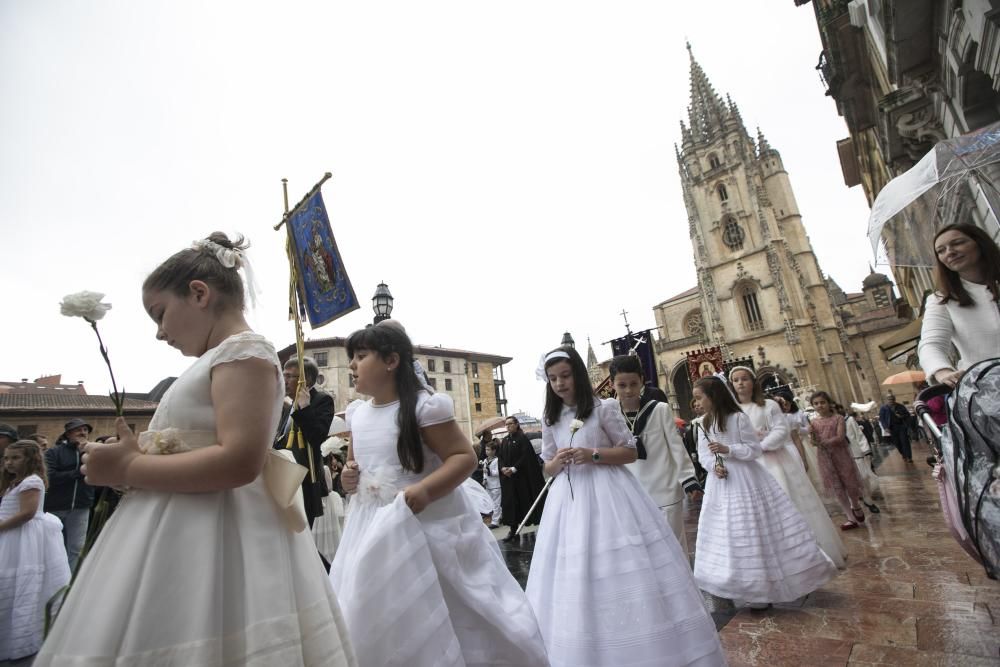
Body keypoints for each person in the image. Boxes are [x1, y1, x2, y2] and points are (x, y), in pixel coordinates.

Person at [36, 232, 356, 666]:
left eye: (160, 314)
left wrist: (130, 467)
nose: (159, 332)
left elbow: (239, 461)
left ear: (199, 293)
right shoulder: (216, 360)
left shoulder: (244, 352)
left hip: (224, 531)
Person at [329, 322, 547, 666]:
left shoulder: (423, 408)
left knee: (446, 601)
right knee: (379, 601)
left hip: (426, 521)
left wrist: (426, 490)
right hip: (371, 526)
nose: (352, 366)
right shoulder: (358, 415)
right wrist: (349, 478)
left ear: (391, 361)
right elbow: (354, 468)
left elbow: (463, 457)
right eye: (351, 358)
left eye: (360, 356)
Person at [526, 347, 725, 667]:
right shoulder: (550, 418)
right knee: (575, 568)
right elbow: (547, 466)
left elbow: (629, 452)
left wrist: (593, 454)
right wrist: (556, 463)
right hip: (568, 499)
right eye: (552, 379)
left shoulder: (603, 409)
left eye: (565, 376)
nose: (560, 384)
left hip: (609, 493)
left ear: (577, 374)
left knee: (622, 564)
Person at [691, 376, 838, 608]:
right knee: (731, 532)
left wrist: (728, 450)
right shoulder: (702, 423)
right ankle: (740, 583)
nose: (696, 402)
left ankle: (765, 586)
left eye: (700, 397)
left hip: (746, 479)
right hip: (721, 484)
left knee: (752, 528)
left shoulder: (738, 418)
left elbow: (753, 450)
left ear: (714, 396)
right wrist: (714, 466)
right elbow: (704, 455)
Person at [729, 367, 846, 568]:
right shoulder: (732, 411)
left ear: (753, 382)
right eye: (736, 380)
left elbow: (781, 430)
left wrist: (761, 446)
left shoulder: (769, 405)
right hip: (750, 465)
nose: (740, 383)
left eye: (744, 379)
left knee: (791, 502)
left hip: (774, 461)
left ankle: (808, 556)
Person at [610, 355, 702, 554]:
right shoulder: (610, 415)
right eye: (622, 385)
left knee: (674, 547)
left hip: (665, 489)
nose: (628, 390)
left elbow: (676, 447)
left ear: (642, 380)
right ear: (612, 384)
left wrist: (689, 479)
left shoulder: (659, 410)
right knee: (644, 551)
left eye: (633, 384)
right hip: (631, 493)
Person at [0, 440, 70, 662]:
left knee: (22, 581)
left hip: (22, 538)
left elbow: (27, 513)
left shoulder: (31, 481)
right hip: (11, 534)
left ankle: (24, 635)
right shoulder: (14, 481)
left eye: (15, 458)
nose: (9, 462)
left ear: (30, 459)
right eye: (6, 458)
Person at [918, 222, 1000, 388]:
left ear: (979, 243)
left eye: (957, 243)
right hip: (988, 389)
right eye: (941, 250)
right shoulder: (942, 300)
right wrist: (943, 371)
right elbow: (931, 345)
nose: (950, 252)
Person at [276, 355, 332, 528]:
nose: (284, 381)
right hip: (284, 476)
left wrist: (305, 408)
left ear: (305, 379)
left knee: (301, 534)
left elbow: (317, 436)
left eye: (289, 376)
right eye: (283, 375)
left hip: (306, 479)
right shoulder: (287, 406)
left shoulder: (322, 400)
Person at [811, 391, 868, 530]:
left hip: (841, 454)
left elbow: (840, 437)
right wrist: (813, 439)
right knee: (837, 487)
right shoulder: (813, 422)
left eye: (822, 402)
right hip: (825, 457)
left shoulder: (838, 418)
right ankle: (850, 517)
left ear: (829, 403)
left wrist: (827, 442)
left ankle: (855, 505)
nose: (820, 406)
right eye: (816, 403)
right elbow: (813, 440)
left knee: (849, 482)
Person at [43, 418, 94, 571]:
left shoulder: (92, 452)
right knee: (52, 547)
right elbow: (50, 477)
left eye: (85, 430)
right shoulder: (54, 452)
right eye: (78, 429)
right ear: (68, 434)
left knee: (77, 549)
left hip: (81, 506)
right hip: (56, 507)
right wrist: (77, 473)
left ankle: (70, 585)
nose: (83, 432)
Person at [498, 415, 547, 543]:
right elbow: (501, 457)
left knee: (525, 501)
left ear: (516, 424)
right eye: (506, 424)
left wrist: (514, 468)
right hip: (509, 480)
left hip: (522, 479)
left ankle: (537, 526)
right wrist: (503, 468)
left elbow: (526, 457)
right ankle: (512, 529)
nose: (508, 426)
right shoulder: (504, 440)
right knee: (511, 504)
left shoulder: (522, 439)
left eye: (510, 424)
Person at [837, 405, 881, 513]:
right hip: (841, 455)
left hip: (856, 452)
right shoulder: (830, 423)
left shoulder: (850, 420)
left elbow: (859, 435)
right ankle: (854, 505)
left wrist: (866, 450)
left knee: (864, 477)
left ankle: (867, 499)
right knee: (846, 481)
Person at [878, 394, 913, 464]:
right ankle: (903, 454)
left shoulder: (900, 406)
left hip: (901, 426)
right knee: (897, 443)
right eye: (889, 399)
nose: (891, 401)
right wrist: (885, 427)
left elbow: (907, 415)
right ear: (887, 400)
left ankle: (909, 457)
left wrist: (901, 416)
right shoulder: (884, 408)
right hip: (892, 428)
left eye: (892, 399)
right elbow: (882, 419)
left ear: (894, 399)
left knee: (905, 441)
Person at [482, 441, 502, 528]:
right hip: (488, 485)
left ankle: (495, 522)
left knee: (496, 504)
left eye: (488, 450)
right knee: (491, 503)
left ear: (494, 451)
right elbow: (484, 472)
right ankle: (499, 517)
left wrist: (489, 471)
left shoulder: (497, 460)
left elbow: (498, 472)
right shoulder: (485, 460)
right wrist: (485, 479)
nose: (486, 451)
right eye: (486, 450)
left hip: (496, 485)